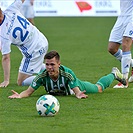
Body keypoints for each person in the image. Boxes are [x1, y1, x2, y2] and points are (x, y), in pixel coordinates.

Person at [8, 50, 126, 99]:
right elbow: (28, 92)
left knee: (98, 88)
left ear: (59, 64)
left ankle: (113, 74)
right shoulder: (42, 75)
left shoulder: (67, 73)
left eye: (52, 64)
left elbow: (77, 90)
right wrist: (20, 96)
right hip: (64, 92)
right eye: (47, 64)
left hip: (78, 86)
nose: (49, 67)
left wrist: (79, 94)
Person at [0, 0, 48, 87]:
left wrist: (6, 80)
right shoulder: (11, 9)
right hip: (42, 39)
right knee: (36, 64)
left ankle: (50, 78)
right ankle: (54, 68)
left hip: (33, 51)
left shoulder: (3, 34)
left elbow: (6, 57)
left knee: (21, 81)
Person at [108, 0, 133, 88]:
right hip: (122, 16)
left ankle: (124, 80)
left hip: (132, 16)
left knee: (126, 43)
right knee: (112, 48)